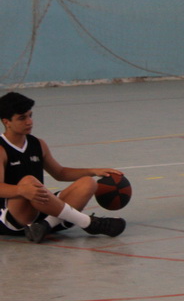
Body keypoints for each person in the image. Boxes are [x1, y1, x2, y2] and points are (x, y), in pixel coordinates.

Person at [0, 92, 126, 244]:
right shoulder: (1, 148)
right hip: (14, 217)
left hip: (39, 207)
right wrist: (22, 190)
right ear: (7, 122)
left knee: (88, 182)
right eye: (22, 118)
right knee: (29, 181)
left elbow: (60, 173)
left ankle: (45, 225)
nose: (29, 122)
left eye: (30, 116)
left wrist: (93, 171)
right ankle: (88, 222)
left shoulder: (38, 144)